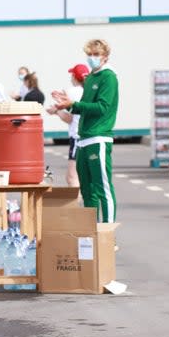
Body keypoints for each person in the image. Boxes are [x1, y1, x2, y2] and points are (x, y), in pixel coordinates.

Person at [52, 39, 119, 223]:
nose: (92, 58)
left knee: (103, 189)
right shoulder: (90, 78)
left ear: (105, 57)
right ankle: (91, 232)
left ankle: (107, 234)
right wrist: (69, 104)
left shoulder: (108, 77)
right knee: (87, 191)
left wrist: (74, 104)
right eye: (89, 54)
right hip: (83, 139)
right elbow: (84, 107)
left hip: (99, 138)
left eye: (96, 55)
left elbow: (102, 107)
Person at [47, 63, 88, 187]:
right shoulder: (89, 91)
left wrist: (56, 111)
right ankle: (85, 204)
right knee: (84, 176)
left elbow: (69, 118)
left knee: (72, 177)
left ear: (75, 77)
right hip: (88, 136)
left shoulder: (73, 91)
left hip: (77, 136)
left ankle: (78, 205)